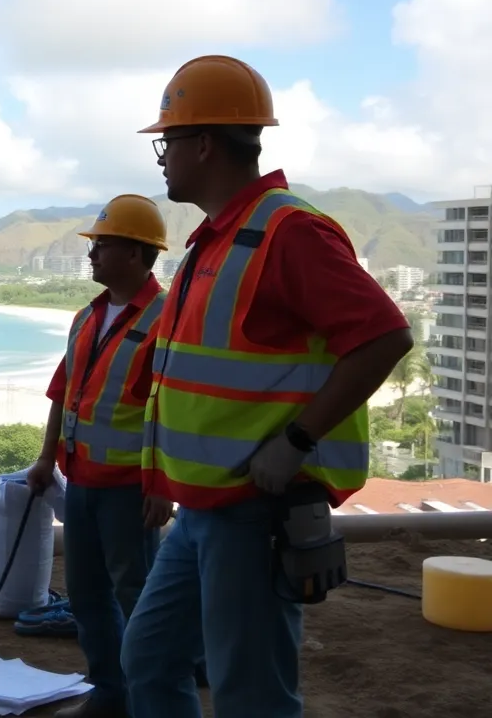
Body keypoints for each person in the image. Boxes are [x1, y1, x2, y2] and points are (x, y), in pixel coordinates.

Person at [118, 55, 414, 718]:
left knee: (251, 691)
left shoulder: (288, 233)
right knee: (150, 659)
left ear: (203, 144)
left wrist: (297, 440)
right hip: (202, 510)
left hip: (251, 512)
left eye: (167, 143)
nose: (160, 158)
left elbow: (385, 336)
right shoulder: (214, 240)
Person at [27, 194, 175, 718]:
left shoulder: (167, 319)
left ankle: (149, 697)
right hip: (82, 482)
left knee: (138, 598)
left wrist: (163, 484)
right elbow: (63, 393)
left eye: (102, 245)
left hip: (129, 490)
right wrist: (47, 458)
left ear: (135, 253)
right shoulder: (87, 317)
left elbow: (174, 412)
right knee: (88, 595)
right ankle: (110, 694)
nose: (91, 255)